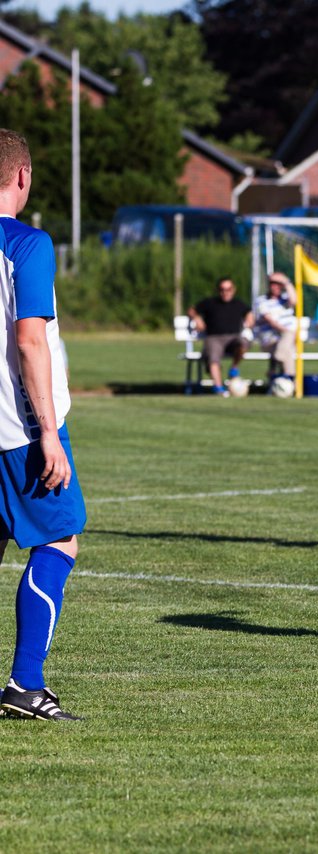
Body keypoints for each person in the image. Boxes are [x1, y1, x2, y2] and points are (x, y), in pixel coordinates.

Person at [0, 129, 86, 721]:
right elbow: (30, 341)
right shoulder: (27, 244)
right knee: (59, 537)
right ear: (23, 175)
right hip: (17, 430)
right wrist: (48, 431)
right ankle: (25, 684)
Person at [189, 277, 252, 397]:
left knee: (243, 342)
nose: (225, 292)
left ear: (233, 290)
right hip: (214, 338)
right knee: (213, 357)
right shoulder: (210, 303)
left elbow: (249, 313)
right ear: (218, 290)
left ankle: (234, 368)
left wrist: (249, 318)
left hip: (234, 338)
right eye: (222, 289)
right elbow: (192, 310)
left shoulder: (239, 304)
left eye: (228, 289)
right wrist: (197, 318)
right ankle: (218, 388)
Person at [252, 272, 297, 379]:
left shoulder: (285, 300)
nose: (275, 286)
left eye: (278, 283)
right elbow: (272, 322)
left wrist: (286, 282)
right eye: (273, 283)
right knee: (288, 345)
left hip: (286, 341)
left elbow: (295, 300)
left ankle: (283, 379)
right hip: (269, 339)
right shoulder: (261, 301)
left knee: (287, 347)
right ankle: (290, 379)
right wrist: (287, 332)